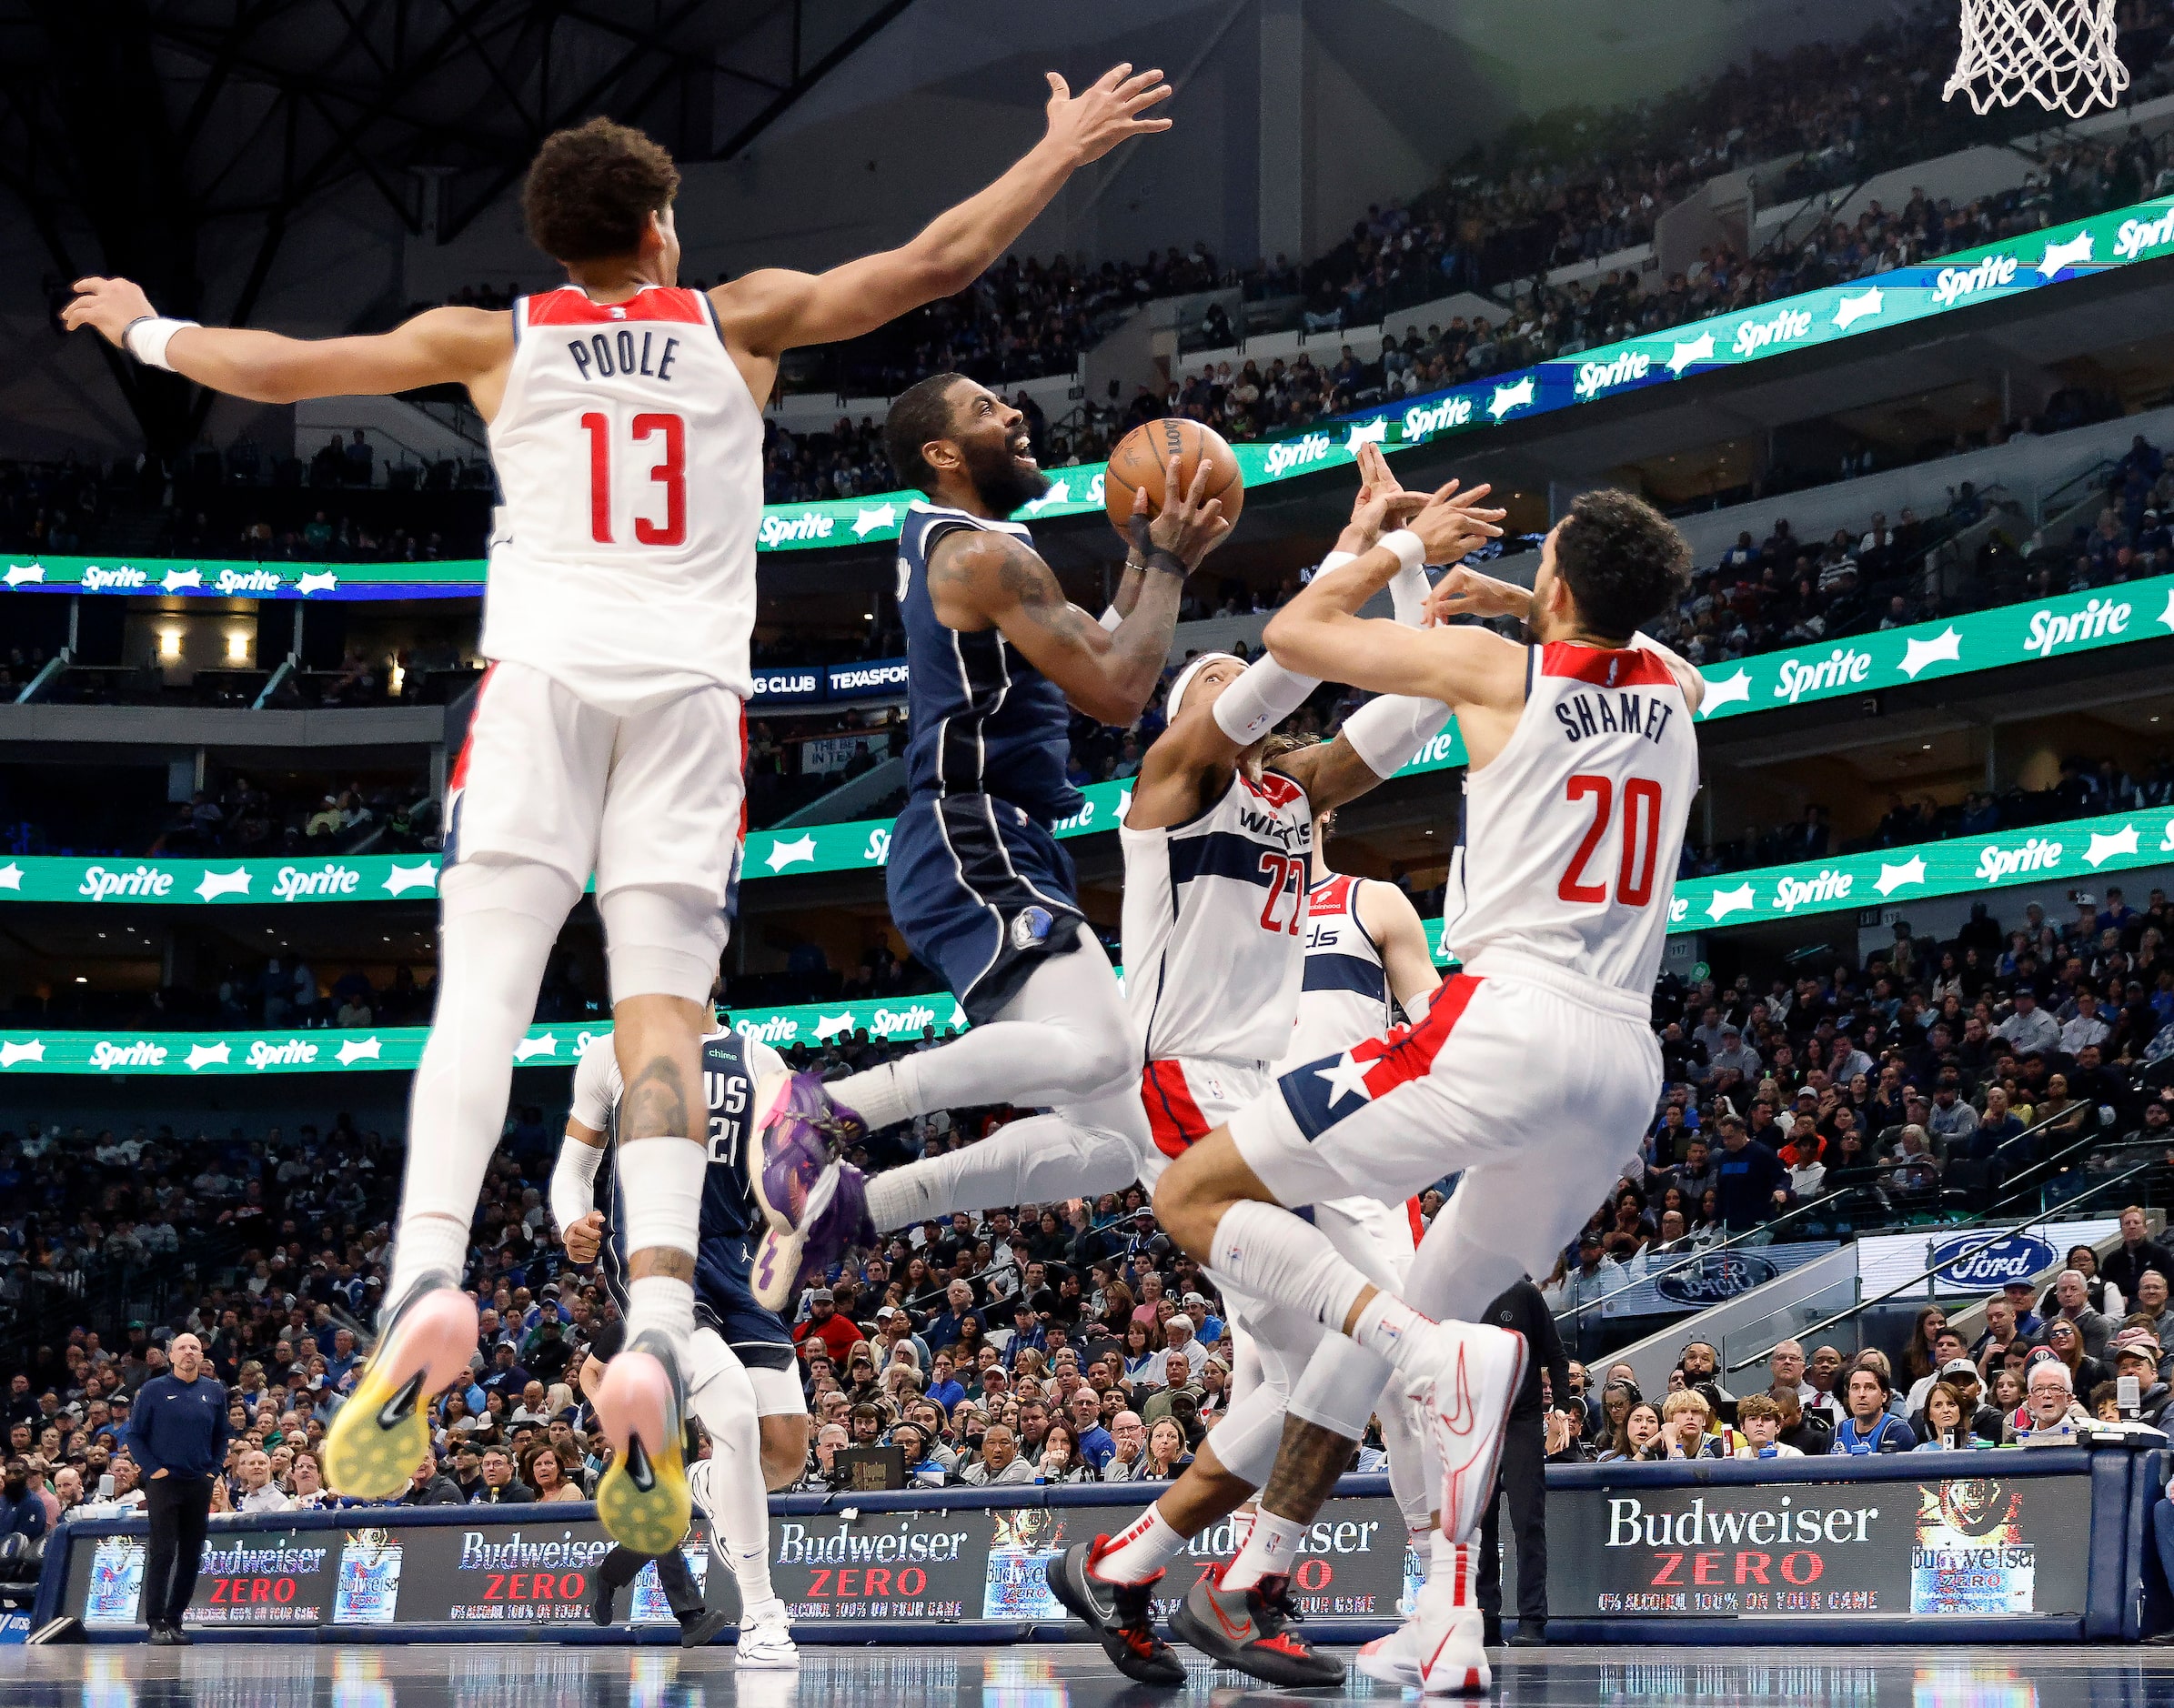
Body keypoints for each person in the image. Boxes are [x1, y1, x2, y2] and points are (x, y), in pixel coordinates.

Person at [66, 66, 1176, 1555]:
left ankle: (427, 1283)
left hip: (536, 698)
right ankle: (657, 1327)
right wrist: (1049, 149)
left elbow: (277, 369)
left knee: (481, 1000)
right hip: (683, 713)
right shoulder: (737, 321)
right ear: (661, 227)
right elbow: (934, 264)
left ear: (556, 244)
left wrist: (140, 322)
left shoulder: (494, 337)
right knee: (661, 1018)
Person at [1144, 487, 1705, 1694]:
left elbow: (1293, 639)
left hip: (1505, 1018)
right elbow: (1642, 636)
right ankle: (1418, 1609)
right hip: (1623, 1063)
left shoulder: (1495, 671)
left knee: (1195, 1187)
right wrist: (1535, 596)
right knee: (1421, 1322)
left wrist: (1400, 549)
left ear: (1554, 596)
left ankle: (1363, 1460)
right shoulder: (1675, 691)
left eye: (1539, 571)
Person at [1051, 449, 1470, 1690]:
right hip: (1183, 1079)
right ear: (1194, 712)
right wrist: (1367, 551)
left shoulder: (1290, 794)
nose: (1246, 690)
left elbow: (1408, 714)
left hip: (1270, 1097)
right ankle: (1237, 1580)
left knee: (1314, 1372)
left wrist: (1408, 595)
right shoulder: (1172, 783)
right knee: (1374, 1330)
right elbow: (1288, 656)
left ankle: (1134, 1564)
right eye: (1219, 682)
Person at [746, 367, 1235, 1305]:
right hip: (970, 829)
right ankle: (830, 1110)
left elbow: (1098, 650)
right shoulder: (978, 557)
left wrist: (1143, 551)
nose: (1012, 415)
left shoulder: (985, 549)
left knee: (1113, 1142)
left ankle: (859, 1207)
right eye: (983, 411)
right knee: (1097, 1052)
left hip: (993, 838)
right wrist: (1165, 567)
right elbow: (1121, 692)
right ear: (940, 454)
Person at [556, 1022, 805, 1662]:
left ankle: (700, 1487)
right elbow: (577, 1162)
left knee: (783, 1456)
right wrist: (570, 1220)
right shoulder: (613, 1049)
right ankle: (763, 1616)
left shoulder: (756, 1056)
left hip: (736, 1253)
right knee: (733, 1419)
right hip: (654, 1249)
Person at [579, 1323, 736, 1652]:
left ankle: (608, 1574)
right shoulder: (627, 1324)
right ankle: (690, 1616)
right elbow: (589, 1372)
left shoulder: (700, 1324)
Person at [1474, 1277, 1570, 1647]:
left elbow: (1557, 1356)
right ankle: (1485, 1618)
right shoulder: (1460, 1291)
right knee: (1478, 1525)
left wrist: (1561, 1405)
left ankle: (1532, 1620)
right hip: (1475, 1421)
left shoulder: (1523, 1292)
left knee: (1527, 1521)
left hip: (1521, 1420)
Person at [124, 1332, 230, 1645]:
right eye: (182, 1348)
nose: (188, 1352)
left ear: (201, 1356)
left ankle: (175, 1619)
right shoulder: (153, 1390)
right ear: (171, 1356)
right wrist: (154, 1470)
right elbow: (134, 1435)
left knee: (192, 1554)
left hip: (199, 1481)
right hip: (164, 1483)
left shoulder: (214, 1392)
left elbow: (222, 1435)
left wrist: (213, 1471)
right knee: (163, 1551)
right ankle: (155, 1621)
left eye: (194, 1348)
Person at [1831, 1365, 1915, 1453]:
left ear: (1884, 1396)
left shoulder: (1897, 1430)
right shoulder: (1838, 1432)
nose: (1861, 1394)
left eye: (1870, 1387)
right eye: (1855, 1388)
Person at [1733, 1393, 1801, 1459]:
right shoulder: (1735, 1458)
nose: (1759, 1423)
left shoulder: (1792, 1456)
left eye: (1767, 1419)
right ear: (1743, 1428)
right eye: (1753, 1418)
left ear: (1777, 1427)